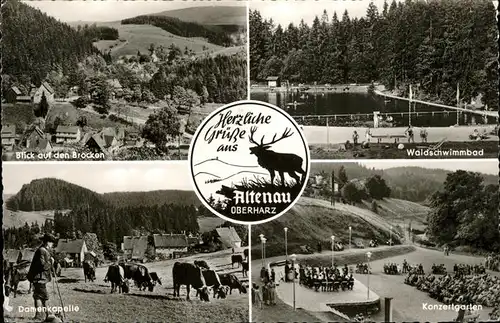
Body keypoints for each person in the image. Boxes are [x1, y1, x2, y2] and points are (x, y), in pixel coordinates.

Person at [27, 233, 57, 321]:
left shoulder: (42, 250)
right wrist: (51, 262)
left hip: (38, 278)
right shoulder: (42, 251)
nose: (52, 245)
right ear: (47, 242)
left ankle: (38, 316)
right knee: (45, 296)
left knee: (38, 296)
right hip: (39, 278)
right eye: (51, 242)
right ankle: (49, 315)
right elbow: (42, 265)